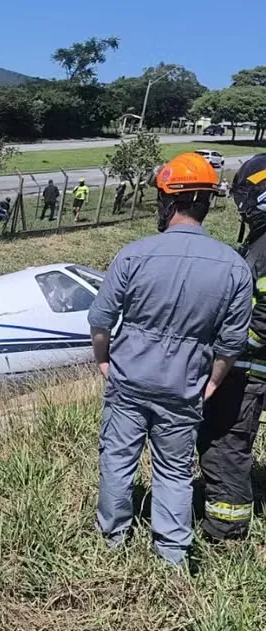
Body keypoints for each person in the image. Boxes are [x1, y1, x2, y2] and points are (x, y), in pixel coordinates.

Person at [87, 152, 253, 568]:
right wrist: (211, 383)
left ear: (167, 200)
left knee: (117, 460)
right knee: (174, 472)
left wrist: (105, 362)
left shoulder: (134, 254)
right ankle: (172, 554)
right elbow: (230, 345)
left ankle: (112, 541)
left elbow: (101, 321)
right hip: (185, 387)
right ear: (206, 202)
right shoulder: (234, 267)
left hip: (129, 379)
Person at [197, 153, 266, 543]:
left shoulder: (264, 248)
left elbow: (263, 320)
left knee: (225, 445)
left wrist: (230, 352)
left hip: (249, 371)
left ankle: (225, 533)